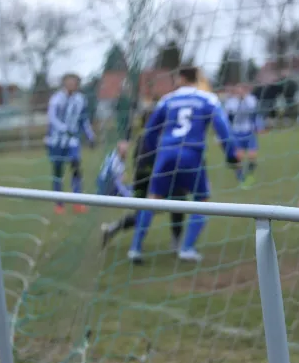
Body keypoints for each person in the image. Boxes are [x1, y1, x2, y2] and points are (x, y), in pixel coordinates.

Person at [127, 66, 240, 265]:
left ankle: (135, 249)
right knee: (201, 200)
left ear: (180, 78)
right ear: (196, 78)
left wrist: (154, 154)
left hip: (166, 154)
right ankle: (186, 248)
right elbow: (223, 129)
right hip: (191, 154)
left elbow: (150, 131)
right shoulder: (208, 99)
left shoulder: (167, 100)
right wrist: (231, 155)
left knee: (152, 201)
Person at [99, 134, 188, 251]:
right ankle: (136, 246)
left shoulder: (152, 135)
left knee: (171, 203)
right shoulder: (152, 138)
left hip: (147, 180)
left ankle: (114, 229)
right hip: (150, 181)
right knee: (169, 203)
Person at [45, 73, 95, 214]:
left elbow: (84, 120)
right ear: (64, 83)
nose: (72, 85)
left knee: (76, 166)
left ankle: (77, 201)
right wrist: (63, 128)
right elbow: (52, 118)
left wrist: (90, 135)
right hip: (56, 141)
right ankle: (59, 204)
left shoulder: (81, 99)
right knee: (58, 171)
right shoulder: (56, 99)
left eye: (75, 82)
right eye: (69, 82)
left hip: (72, 140)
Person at [225, 83, 264, 189]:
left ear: (246, 90)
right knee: (239, 157)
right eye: (238, 90)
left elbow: (256, 115)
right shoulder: (231, 103)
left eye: (242, 90)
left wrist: (259, 126)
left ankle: (249, 176)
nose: (240, 92)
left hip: (249, 132)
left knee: (253, 156)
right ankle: (241, 179)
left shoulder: (252, 100)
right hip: (236, 132)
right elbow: (228, 119)